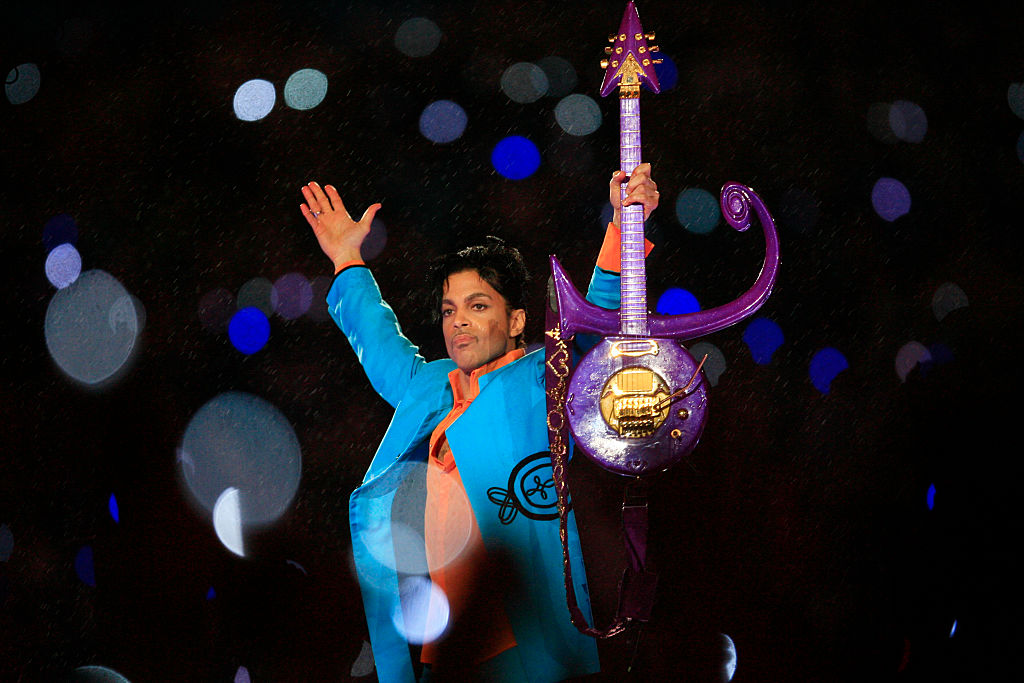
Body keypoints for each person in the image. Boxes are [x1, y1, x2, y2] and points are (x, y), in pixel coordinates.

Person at [300, 166, 659, 682]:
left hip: (521, 634)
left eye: (478, 305)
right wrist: (347, 260)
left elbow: (597, 322)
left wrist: (625, 228)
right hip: (442, 645)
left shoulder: (543, 376)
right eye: (449, 310)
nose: (459, 321)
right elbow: (379, 343)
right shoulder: (432, 385)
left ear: (515, 321)